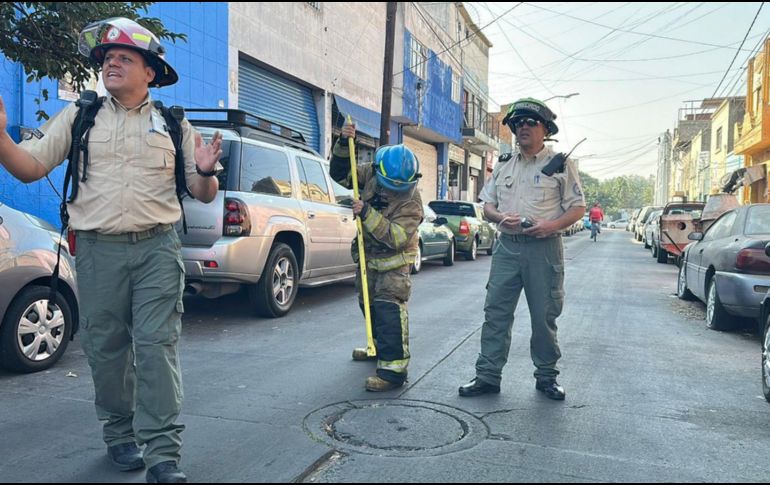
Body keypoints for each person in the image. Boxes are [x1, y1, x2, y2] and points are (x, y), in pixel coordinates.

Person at [0, 18, 223, 483]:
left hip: (158, 249)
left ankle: (163, 454)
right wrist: (1, 138)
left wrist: (205, 171)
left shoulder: (173, 123)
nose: (111, 64)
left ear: (150, 72)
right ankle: (120, 434)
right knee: (107, 349)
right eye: (106, 58)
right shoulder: (80, 116)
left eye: (124, 57)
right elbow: (30, 166)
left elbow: (203, 193)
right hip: (98, 251)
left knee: (157, 347)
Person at [458, 97, 585, 401]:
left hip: (544, 249)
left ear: (546, 129)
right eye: (518, 123)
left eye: (531, 122)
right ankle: (487, 376)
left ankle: (547, 377)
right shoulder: (504, 164)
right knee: (496, 313)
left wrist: (551, 226)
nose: (523, 127)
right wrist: (500, 217)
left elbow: (577, 208)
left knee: (543, 316)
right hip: (507, 248)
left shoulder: (560, 165)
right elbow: (487, 205)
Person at [329, 122, 423, 392]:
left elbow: (396, 237)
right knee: (368, 307)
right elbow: (341, 175)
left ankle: (393, 372)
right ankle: (377, 346)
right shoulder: (370, 172)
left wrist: (366, 212)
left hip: (394, 265)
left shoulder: (412, 203)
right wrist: (343, 143)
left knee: (388, 310)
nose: (394, 191)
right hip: (368, 258)